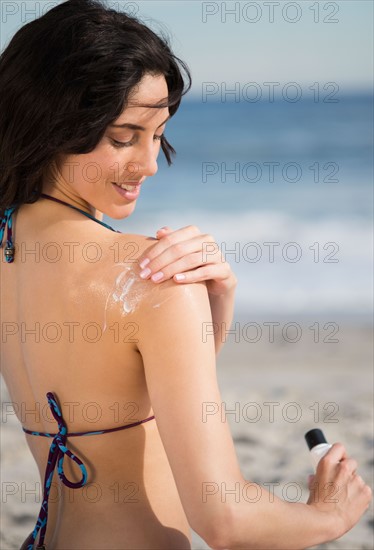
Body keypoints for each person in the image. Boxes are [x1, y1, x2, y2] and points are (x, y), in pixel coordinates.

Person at [0, 1, 371, 548]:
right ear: (53, 122)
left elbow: (124, 389)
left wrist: (216, 302)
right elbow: (226, 522)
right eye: (124, 137)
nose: (150, 163)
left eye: (158, 134)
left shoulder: (11, 246)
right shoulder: (152, 279)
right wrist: (328, 516)